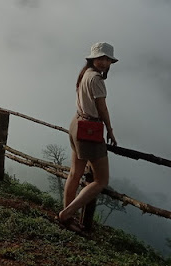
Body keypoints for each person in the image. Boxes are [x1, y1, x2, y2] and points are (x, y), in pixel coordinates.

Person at [58, 42, 118, 232]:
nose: (104, 62)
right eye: (101, 58)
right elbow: (102, 108)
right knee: (101, 180)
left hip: (77, 123)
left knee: (75, 173)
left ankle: (67, 214)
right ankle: (66, 215)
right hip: (89, 129)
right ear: (93, 59)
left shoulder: (85, 74)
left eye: (107, 59)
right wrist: (110, 129)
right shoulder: (97, 80)